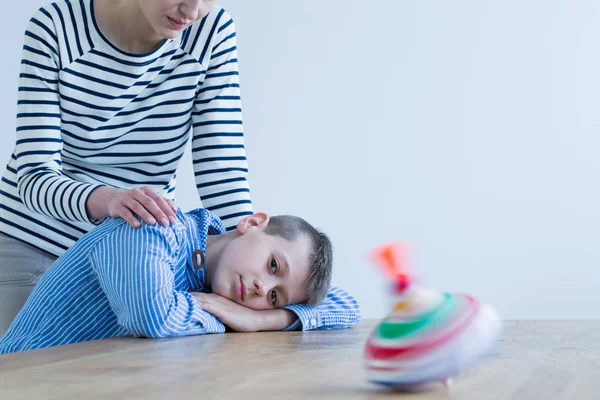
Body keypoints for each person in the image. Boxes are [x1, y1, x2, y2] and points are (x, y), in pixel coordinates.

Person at [0, 0, 344, 334]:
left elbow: (221, 169)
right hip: (36, 244)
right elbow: (33, 177)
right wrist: (110, 200)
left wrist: (262, 316)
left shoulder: (210, 32)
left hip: (142, 261)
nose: (192, 12)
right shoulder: (57, 27)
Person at [0, 208, 361, 354]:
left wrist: (263, 320)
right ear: (252, 223)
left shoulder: (216, 285)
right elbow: (152, 317)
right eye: (272, 265)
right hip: (23, 379)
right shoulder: (154, 227)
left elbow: (348, 305)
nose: (261, 289)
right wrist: (225, 319)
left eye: (274, 296)